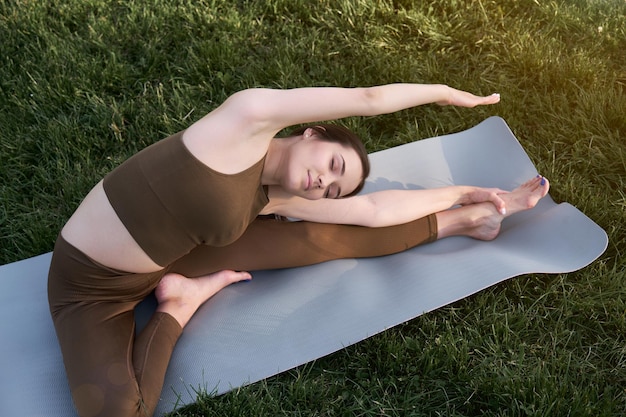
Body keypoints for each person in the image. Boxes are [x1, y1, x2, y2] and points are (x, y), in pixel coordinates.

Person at [47, 84, 549, 417]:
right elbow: (369, 97)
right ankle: (178, 305)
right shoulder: (247, 118)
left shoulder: (280, 195)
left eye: (332, 188)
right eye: (332, 164)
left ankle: (467, 222)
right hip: (89, 287)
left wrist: (467, 194)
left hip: (174, 253)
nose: (323, 182)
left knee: (323, 236)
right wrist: (442, 92)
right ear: (312, 131)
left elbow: (372, 212)